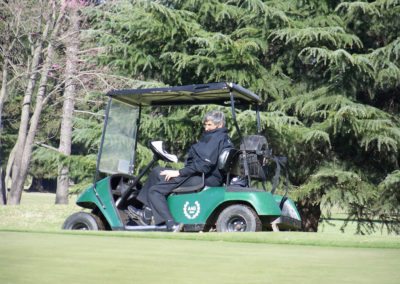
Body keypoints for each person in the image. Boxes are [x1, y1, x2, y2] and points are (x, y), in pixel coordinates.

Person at [128, 110, 233, 232]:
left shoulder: (215, 139)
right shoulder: (220, 137)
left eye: (209, 125)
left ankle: (171, 224)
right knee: (157, 172)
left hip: (204, 178)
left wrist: (179, 172)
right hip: (203, 175)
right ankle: (146, 215)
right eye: (205, 125)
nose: (206, 128)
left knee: (155, 191)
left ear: (219, 125)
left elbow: (204, 165)